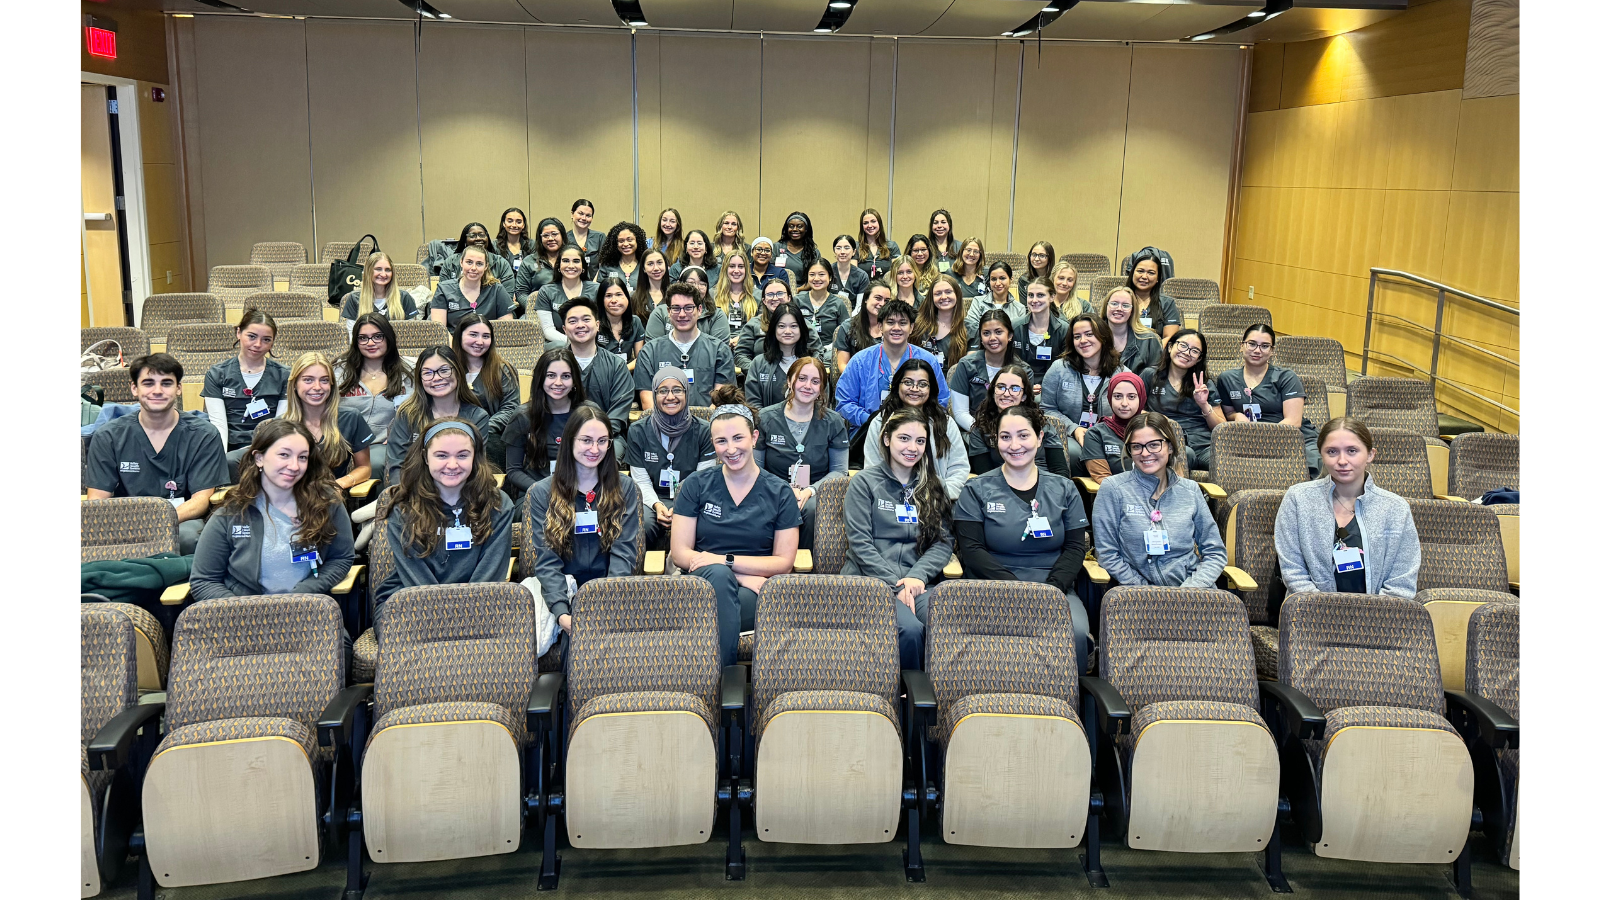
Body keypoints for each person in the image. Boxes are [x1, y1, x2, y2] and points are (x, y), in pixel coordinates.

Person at [189, 419, 356, 647]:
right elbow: (203, 580)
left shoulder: (326, 504)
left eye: (302, 457)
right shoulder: (231, 513)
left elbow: (341, 558)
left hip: (306, 614)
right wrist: (246, 612)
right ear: (259, 458)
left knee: (338, 651)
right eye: (284, 455)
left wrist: (306, 592)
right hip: (242, 622)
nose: (294, 466)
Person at [953, 402, 1091, 671]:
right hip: (991, 584)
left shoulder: (1065, 489)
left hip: (1054, 585)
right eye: (1005, 437)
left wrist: (1051, 589)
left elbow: (1075, 548)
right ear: (996, 442)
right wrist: (1016, 588)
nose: (1014, 445)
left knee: (1074, 635)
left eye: (1023, 435)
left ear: (1040, 438)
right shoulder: (976, 489)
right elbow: (972, 551)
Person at [671, 404, 801, 666]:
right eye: (721, 441)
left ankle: (714, 682)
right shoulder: (695, 484)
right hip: (702, 583)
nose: (730, 449)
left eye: (738, 438)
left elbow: (783, 562)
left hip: (759, 589)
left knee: (718, 599)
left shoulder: (780, 492)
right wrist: (737, 573)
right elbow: (680, 554)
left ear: (754, 437)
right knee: (718, 580)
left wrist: (724, 561)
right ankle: (728, 679)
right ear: (713, 445)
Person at [844, 407, 954, 669]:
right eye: (904, 438)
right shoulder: (864, 483)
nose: (912, 448)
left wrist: (917, 577)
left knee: (949, 626)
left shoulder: (933, 485)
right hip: (869, 582)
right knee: (909, 630)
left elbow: (942, 542)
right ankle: (909, 700)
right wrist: (896, 584)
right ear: (886, 439)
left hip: (918, 584)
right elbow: (860, 544)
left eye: (920, 441)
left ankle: (944, 699)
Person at [86, 353, 229, 554]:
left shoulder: (204, 435)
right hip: (125, 521)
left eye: (167, 383)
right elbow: (97, 502)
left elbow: (201, 500)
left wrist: (155, 522)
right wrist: (130, 525)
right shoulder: (108, 436)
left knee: (190, 539)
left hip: (182, 518)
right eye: (148, 383)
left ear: (179, 389)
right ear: (134, 388)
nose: (157, 391)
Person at [374, 417, 516, 611]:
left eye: (462, 455)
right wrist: (446, 617)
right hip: (412, 601)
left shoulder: (498, 504)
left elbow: (490, 575)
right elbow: (415, 577)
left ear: (475, 457)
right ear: (425, 457)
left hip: (478, 604)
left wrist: (465, 612)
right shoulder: (404, 506)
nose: (452, 465)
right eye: (441, 455)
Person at [525, 406, 642, 635]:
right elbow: (547, 560)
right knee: (575, 643)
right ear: (569, 441)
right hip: (563, 591)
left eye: (602, 441)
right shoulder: (541, 493)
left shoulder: (624, 488)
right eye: (586, 440)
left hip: (610, 592)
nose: (594, 449)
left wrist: (604, 604)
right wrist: (562, 612)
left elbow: (624, 552)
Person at [1275, 417, 1422, 597]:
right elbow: (1292, 570)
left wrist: (1374, 616)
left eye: (1352, 451)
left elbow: (1401, 580)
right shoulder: (1298, 498)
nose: (1342, 460)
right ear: (1321, 454)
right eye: (1332, 452)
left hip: (1380, 618)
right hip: (1310, 615)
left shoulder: (1395, 508)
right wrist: (1321, 610)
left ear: (1370, 454)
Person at [1091, 412, 1228, 602]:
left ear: (1170, 446)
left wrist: (1190, 590)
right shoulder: (1113, 489)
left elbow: (1215, 552)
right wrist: (1146, 592)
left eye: (1154, 444)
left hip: (1192, 594)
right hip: (1137, 596)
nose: (1145, 453)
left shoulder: (1190, 490)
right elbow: (1107, 555)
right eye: (1137, 447)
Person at [754, 357, 849, 550]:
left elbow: (839, 471)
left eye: (815, 382)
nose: (808, 386)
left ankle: (808, 570)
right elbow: (755, 468)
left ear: (822, 387)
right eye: (802, 379)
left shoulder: (834, 421)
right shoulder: (765, 418)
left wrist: (810, 490)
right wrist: (783, 489)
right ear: (790, 381)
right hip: (772, 489)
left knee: (814, 509)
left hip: (816, 492)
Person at [627, 367, 717, 551]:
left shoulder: (704, 431)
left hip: (693, 498)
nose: (670, 397)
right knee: (643, 524)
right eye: (662, 391)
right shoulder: (638, 431)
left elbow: (703, 479)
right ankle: (642, 574)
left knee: (704, 524)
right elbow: (640, 480)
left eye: (677, 390)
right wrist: (657, 505)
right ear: (654, 394)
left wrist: (681, 506)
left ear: (687, 392)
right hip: (652, 498)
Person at [1215, 324, 1320, 472]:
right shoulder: (1227, 378)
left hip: (1291, 438)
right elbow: (1227, 413)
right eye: (1251, 344)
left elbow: (1293, 421)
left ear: (1272, 351)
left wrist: (1264, 443)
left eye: (1265, 346)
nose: (1257, 350)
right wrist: (1236, 415)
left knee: (1310, 463)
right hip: (1247, 440)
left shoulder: (1286, 377)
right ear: (1241, 346)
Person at [835, 298, 950, 432]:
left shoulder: (928, 360)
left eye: (903, 323)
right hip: (867, 430)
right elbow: (844, 402)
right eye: (890, 322)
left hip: (917, 431)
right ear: (880, 326)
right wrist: (873, 422)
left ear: (911, 327)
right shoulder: (860, 361)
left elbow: (941, 400)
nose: (896, 328)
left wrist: (915, 423)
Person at [860, 358, 969, 499]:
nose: (915, 389)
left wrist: (938, 496)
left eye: (923, 384)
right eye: (908, 382)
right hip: (890, 500)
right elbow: (872, 469)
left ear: (931, 389)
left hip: (939, 500)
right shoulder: (881, 422)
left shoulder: (945, 423)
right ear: (897, 385)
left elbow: (959, 469)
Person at [503, 347, 601, 495]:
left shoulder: (589, 414)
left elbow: (602, 461)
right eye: (551, 375)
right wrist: (546, 491)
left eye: (566, 376)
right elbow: (513, 471)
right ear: (540, 378)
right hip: (537, 491)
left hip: (582, 491)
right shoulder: (523, 416)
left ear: (575, 380)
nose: (558, 382)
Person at [385, 346, 490, 484]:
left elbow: (476, 467)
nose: (437, 378)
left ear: (458, 372)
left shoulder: (477, 416)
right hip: (413, 492)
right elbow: (396, 467)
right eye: (428, 373)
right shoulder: (407, 414)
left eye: (444, 370)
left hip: (460, 493)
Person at [203, 308, 289, 475]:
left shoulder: (284, 375)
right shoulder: (217, 373)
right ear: (238, 333)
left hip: (268, 444)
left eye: (266, 340)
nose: (258, 344)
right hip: (231, 445)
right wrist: (219, 459)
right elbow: (218, 424)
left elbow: (281, 423)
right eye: (252, 336)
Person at [1041, 314, 1128, 475]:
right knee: (1075, 454)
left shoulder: (1121, 373)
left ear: (1103, 336)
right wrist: (1074, 429)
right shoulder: (1059, 369)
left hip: (1108, 435)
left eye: (1089, 334)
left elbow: (1131, 410)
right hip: (1069, 435)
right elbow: (1046, 409)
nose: (1083, 340)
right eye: (1077, 336)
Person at [335, 313, 412, 481]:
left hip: (383, 443)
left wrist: (403, 434)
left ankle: (376, 507)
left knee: (377, 463)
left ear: (388, 338)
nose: (370, 343)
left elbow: (422, 407)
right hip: (343, 442)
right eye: (363, 338)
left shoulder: (410, 371)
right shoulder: (338, 371)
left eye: (378, 337)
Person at [635, 282, 736, 409]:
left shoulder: (720, 351)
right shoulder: (649, 352)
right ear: (668, 311)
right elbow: (648, 402)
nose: (682, 314)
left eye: (688, 308)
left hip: (707, 426)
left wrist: (702, 425)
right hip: (663, 426)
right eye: (676, 308)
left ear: (699, 310)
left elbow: (721, 401)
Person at [283, 351, 374, 490]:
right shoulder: (280, 426)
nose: (317, 387)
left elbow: (364, 467)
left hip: (331, 499)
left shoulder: (350, 418)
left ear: (331, 385)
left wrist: (338, 485)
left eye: (324, 380)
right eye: (308, 380)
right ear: (294, 384)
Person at [1141, 328, 1223, 471]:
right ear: (1171, 347)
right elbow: (1135, 411)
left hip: (1203, 444)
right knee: (1185, 454)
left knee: (1223, 463)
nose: (1186, 352)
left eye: (1194, 351)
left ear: (1199, 358)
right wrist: (1158, 420)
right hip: (1168, 440)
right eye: (1183, 345)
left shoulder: (1205, 384)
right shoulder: (1150, 375)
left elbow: (1220, 427)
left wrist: (1204, 405)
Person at [967, 363, 1070, 477]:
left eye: (1014, 388)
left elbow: (1061, 472)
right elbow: (985, 478)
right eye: (1001, 387)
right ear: (992, 392)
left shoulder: (1042, 424)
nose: (1006, 394)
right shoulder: (980, 429)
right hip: (998, 489)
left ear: (1024, 395)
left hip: (1046, 487)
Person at [559, 295, 635, 433]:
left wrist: (595, 438)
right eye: (573, 321)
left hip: (607, 436)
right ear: (564, 329)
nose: (580, 325)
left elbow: (618, 414)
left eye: (586, 319)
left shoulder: (616, 366)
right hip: (561, 436)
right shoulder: (553, 365)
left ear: (597, 325)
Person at [452, 313, 521, 441]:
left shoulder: (503, 370)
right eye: (473, 334)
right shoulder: (448, 369)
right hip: (450, 435)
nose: (480, 341)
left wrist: (480, 430)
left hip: (490, 437)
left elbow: (510, 409)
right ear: (459, 336)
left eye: (486, 336)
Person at [948, 309, 1020, 431]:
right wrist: (982, 433)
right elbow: (960, 413)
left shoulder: (1022, 370)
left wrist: (1003, 434)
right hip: (973, 431)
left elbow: (1023, 412)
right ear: (980, 337)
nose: (992, 338)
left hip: (1012, 432)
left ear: (1010, 336)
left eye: (998, 332)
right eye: (986, 333)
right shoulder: (966, 365)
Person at [741, 301, 812, 410]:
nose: (787, 331)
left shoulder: (813, 365)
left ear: (801, 329)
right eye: (781, 326)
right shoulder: (758, 363)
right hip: (766, 425)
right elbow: (753, 404)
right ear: (773, 329)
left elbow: (820, 404)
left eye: (793, 326)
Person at [1081, 372, 1147, 484]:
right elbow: (1103, 480)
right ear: (1109, 398)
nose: (1124, 403)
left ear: (1141, 398)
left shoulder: (1154, 429)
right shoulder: (1096, 433)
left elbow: (1171, 474)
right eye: (1118, 396)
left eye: (1131, 397)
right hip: (1119, 497)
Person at [430, 244, 515, 329]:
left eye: (479, 264)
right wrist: (455, 342)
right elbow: (440, 331)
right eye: (469, 262)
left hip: (486, 340)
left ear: (486, 266)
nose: (473, 268)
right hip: (453, 340)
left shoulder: (497, 290)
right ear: (461, 262)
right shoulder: (444, 289)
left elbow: (505, 329)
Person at [644, 266, 731, 344]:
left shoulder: (717, 315)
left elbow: (719, 351)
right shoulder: (660, 313)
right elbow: (652, 347)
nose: (697, 288)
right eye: (691, 283)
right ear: (679, 284)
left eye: (702, 284)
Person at [533, 244, 598, 347]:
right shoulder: (546, 291)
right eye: (566, 261)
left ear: (583, 267)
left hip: (592, 343)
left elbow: (603, 324)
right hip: (560, 345)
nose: (571, 265)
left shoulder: (597, 289)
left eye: (576, 261)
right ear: (558, 266)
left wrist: (586, 341)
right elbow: (547, 329)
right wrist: (573, 341)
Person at [340, 251, 420, 332]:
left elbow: (411, 333)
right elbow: (351, 334)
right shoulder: (354, 298)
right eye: (378, 269)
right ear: (368, 272)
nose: (383, 274)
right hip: (366, 344)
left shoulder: (404, 297)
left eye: (388, 270)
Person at [1011, 279, 1071, 383]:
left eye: (1040, 295)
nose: (1034, 300)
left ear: (1052, 297)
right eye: (1030, 295)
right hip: (1019, 383)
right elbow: (1009, 362)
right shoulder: (1015, 326)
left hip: (1052, 385)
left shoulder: (1063, 329)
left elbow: (1065, 368)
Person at [909, 272, 967, 368]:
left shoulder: (970, 329)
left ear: (957, 294)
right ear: (931, 298)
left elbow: (969, 369)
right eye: (938, 293)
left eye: (948, 292)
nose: (943, 297)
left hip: (954, 381)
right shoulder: (917, 326)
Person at [1100, 286, 1163, 373]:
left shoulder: (1149, 340)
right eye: (1114, 304)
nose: (1119, 309)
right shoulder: (1094, 336)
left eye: (1125, 305)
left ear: (1132, 311)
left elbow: (1157, 376)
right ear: (1106, 306)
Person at [1126, 249, 1181, 342]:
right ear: (1132, 274)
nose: (1144, 276)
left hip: (1156, 353)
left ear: (1158, 278)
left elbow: (1169, 338)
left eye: (1151, 273)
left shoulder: (1167, 303)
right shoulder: (1119, 299)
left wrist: (1153, 353)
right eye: (1140, 271)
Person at [799, 257, 852, 355]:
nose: (816, 279)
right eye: (812, 275)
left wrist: (828, 348)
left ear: (830, 277)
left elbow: (846, 333)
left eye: (821, 274)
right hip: (801, 351)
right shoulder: (797, 301)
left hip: (829, 352)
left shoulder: (838, 304)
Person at [834, 281, 889, 373]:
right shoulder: (847, 327)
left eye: (886, 301)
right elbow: (843, 365)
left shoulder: (892, 328)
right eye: (878, 298)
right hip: (856, 379)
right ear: (866, 299)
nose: (882, 304)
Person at [438, 221, 515, 285]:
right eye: (472, 236)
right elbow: (444, 291)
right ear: (465, 240)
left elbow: (507, 296)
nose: (478, 238)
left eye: (482, 235)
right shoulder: (450, 262)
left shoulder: (501, 263)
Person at [513, 217, 568, 302]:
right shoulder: (529, 261)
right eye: (545, 235)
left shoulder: (572, 259)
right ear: (540, 239)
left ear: (562, 235)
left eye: (554, 234)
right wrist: (533, 309)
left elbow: (585, 285)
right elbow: (521, 293)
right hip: (537, 309)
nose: (550, 238)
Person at [717, 251, 763, 354]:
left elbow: (761, 324)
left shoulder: (758, 295)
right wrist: (725, 339)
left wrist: (741, 338)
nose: (736, 271)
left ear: (746, 269)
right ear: (725, 269)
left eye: (741, 266)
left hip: (750, 346)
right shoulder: (713, 295)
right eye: (732, 266)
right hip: (720, 346)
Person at [599, 275, 646, 365]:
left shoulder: (635, 322)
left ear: (627, 297)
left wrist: (622, 372)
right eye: (608, 296)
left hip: (627, 373)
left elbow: (639, 359)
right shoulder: (594, 324)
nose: (614, 300)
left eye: (619, 294)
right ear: (601, 300)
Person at [594, 221, 649, 290]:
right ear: (615, 244)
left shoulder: (646, 264)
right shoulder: (607, 266)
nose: (625, 244)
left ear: (638, 241)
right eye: (621, 241)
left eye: (629, 240)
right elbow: (600, 291)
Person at [494, 207, 532, 295]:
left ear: (523, 225)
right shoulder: (494, 246)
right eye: (510, 221)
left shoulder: (532, 245)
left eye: (519, 222)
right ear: (503, 223)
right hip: (501, 292)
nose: (514, 225)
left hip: (527, 291)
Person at [856, 209, 900, 282]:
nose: (870, 225)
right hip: (863, 290)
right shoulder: (856, 247)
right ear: (862, 226)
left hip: (886, 290)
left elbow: (897, 272)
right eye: (865, 223)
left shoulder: (892, 246)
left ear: (879, 223)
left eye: (873, 221)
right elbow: (854, 274)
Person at [775, 211, 819, 283]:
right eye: (791, 226)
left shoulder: (813, 252)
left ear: (806, 230)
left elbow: (815, 278)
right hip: (778, 288)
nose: (795, 229)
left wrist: (797, 290)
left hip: (803, 291)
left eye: (799, 226)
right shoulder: (776, 248)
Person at [630, 248, 670, 319]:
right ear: (644, 268)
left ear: (666, 265)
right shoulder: (634, 297)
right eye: (650, 264)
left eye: (659, 262)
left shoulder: (675, 295)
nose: (656, 268)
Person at [949, 238, 991, 302]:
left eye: (976, 251)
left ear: (980, 254)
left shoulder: (987, 273)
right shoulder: (950, 274)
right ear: (961, 252)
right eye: (968, 250)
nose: (971, 254)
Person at [567, 199, 603, 271]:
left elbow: (604, 266)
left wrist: (594, 282)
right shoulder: (564, 238)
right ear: (572, 214)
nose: (583, 218)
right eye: (580, 213)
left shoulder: (599, 237)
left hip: (595, 281)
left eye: (588, 215)